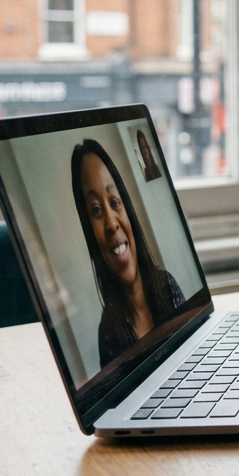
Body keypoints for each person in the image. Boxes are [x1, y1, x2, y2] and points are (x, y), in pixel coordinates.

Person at [70, 139, 187, 365]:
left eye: (115, 202)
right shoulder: (108, 333)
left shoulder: (167, 286)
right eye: (95, 210)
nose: (111, 224)